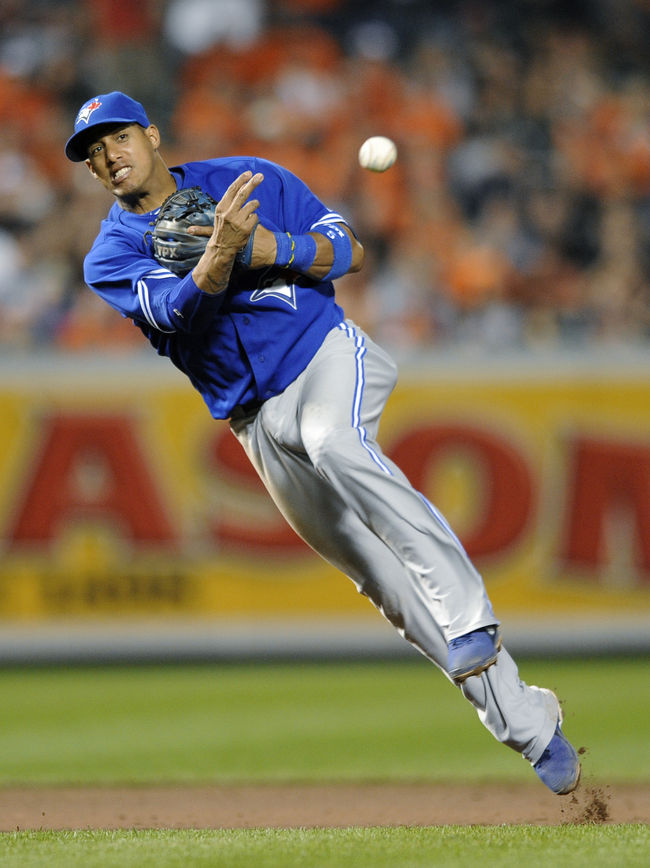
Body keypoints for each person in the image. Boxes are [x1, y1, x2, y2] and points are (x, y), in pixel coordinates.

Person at [65, 91, 581, 795]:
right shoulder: (111, 252)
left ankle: (470, 617)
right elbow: (176, 315)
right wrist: (218, 254)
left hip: (325, 354)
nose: (109, 156)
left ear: (152, 135)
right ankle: (530, 725)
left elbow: (350, 250)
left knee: (336, 442)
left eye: (118, 137)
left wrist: (269, 247)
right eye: (94, 153)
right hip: (253, 421)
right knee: (379, 578)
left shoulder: (247, 177)